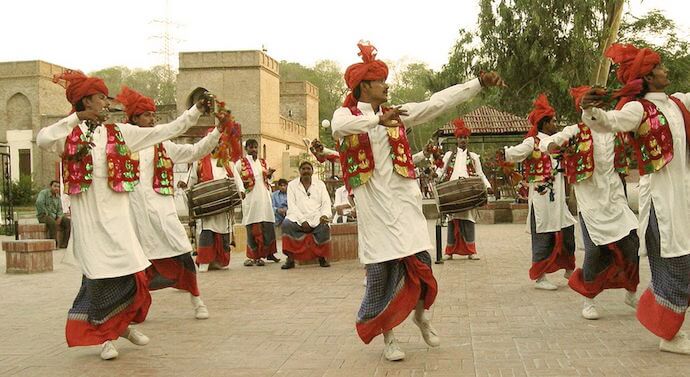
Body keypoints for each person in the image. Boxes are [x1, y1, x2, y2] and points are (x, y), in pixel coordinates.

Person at [331, 41, 505, 361]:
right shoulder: (347, 115)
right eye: (380, 81)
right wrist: (376, 122)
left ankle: (421, 316)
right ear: (364, 86)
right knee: (382, 277)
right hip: (375, 212)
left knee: (422, 265)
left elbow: (437, 103)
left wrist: (477, 83)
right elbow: (340, 126)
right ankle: (390, 339)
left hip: (405, 206)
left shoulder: (397, 114)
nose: (387, 85)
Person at [37, 70, 207, 360]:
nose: (107, 103)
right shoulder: (68, 134)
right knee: (99, 278)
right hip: (89, 220)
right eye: (101, 97)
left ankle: (123, 326)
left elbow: (163, 131)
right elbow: (42, 138)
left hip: (118, 218)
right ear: (86, 100)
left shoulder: (120, 133)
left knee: (134, 275)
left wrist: (195, 112)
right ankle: (105, 339)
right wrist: (76, 118)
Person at [580, 43, 690, 354]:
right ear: (649, 76)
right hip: (661, 203)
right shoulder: (639, 109)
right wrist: (589, 110)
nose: (666, 70)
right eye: (660, 67)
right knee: (675, 263)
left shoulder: (679, 104)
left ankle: (670, 328)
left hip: (684, 198)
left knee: (685, 263)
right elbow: (609, 122)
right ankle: (669, 334)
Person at [117, 86, 222, 319]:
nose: (152, 119)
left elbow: (195, 151)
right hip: (133, 218)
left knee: (182, 253)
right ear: (134, 118)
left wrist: (216, 133)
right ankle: (134, 310)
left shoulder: (163, 145)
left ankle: (197, 301)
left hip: (163, 215)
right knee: (134, 267)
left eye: (154, 115)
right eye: (147, 115)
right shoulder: (123, 143)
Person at [540, 86, 639, 320]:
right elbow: (549, 144)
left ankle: (631, 290)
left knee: (631, 245)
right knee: (595, 251)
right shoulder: (575, 131)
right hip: (590, 200)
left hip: (615, 197)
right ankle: (589, 300)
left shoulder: (616, 129)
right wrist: (553, 146)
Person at [503, 94, 578, 291]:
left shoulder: (557, 142)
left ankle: (569, 268)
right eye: (553, 121)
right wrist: (504, 156)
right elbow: (513, 154)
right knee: (543, 233)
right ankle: (540, 276)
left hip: (559, 196)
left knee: (567, 229)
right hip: (542, 198)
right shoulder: (532, 143)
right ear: (544, 124)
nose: (556, 124)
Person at [437, 118, 492, 260]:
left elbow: (480, 174)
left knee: (468, 220)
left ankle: (471, 251)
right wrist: (434, 176)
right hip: (452, 193)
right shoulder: (449, 156)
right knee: (451, 221)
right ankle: (449, 252)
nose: (463, 140)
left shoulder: (473, 157)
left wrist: (488, 186)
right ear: (457, 139)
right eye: (461, 137)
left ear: (468, 140)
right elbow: (441, 171)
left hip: (469, 192)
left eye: (465, 137)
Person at [189, 129, 240, 272]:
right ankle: (205, 262)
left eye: (218, 143)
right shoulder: (198, 163)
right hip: (207, 210)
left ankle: (219, 261)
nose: (216, 146)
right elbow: (191, 183)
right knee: (207, 232)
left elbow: (237, 181)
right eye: (212, 142)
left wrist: (240, 192)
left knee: (224, 233)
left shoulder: (227, 164)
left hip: (224, 209)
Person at [235, 139, 280, 266]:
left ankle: (270, 253)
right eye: (251, 147)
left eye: (255, 147)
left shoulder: (263, 162)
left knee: (267, 224)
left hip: (264, 197)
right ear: (246, 149)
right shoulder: (240, 163)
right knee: (253, 226)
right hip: (251, 198)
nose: (254, 149)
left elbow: (269, 179)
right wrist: (241, 190)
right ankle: (255, 256)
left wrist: (270, 174)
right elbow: (236, 179)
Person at [280, 161, 332, 269]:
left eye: (308, 169)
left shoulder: (320, 184)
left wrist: (324, 215)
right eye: (303, 169)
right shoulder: (292, 185)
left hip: (316, 217)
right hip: (297, 218)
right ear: (299, 171)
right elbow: (292, 205)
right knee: (286, 224)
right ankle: (290, 259)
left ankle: (322, 257)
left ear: (312, 171)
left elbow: (326, 202)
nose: (306, 171)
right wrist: (303, 220)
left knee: (325, 225)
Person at [35, 180, 71, 248]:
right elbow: (39, 203)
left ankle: (65, 244)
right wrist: (47, 213)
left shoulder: (58, 197)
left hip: (54, 216)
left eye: (58, 187)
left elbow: (60, 209)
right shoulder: (44, 193)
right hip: (43, 215)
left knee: (68, 222)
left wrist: (60, 217)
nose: (56, 188)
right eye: (55, 186)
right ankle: (54, 244)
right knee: (52, 223)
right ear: (50, 186)